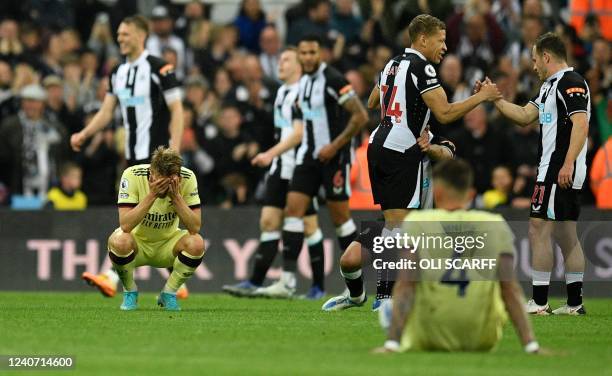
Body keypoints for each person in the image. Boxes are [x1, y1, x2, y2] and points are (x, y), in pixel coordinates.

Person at [322, 14, 499, 311]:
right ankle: (387, 296)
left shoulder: (391, 64)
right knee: (404, 226)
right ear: (423, 39)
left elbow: (371, 102)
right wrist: (481, 97)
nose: (445, 47)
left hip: (378, 144)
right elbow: (444, 113)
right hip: (403, 149)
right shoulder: (422, 67)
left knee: (390, 224)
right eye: (441, 41)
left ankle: (360, 292)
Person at [372, 159, 544, 354]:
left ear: (437, 192)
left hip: (428, 338)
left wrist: (391, 345)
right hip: (481, 340)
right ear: (471, 195)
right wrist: (532, 346)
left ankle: (395, 334)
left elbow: (405, 284)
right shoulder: (494, 223)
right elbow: (510, 289)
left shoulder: (418, 222)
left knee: (395, 301)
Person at [476, 32, 590, 315]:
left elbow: (581, 124)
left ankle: (539, 301)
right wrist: (495, 99)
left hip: (557, 168)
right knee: (566, 234)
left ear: (547, 57)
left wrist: (566, 163)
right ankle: (574, 304)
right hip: (557, 168)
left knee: (538, 227)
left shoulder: (571, 83)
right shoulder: (549, 87)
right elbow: (525, 116)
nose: (533, 65)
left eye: (535, 59)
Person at [73, 15, 186, 298]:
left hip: (157, 157)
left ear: (141, 35)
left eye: (125, 34)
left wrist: (175, 149)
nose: (120, 38)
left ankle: (111, 276)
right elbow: (107, 111)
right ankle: (177, 277)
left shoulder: (160, 68)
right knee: (141, 217)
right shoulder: (117, 72)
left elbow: (177, 110)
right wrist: (85, 134)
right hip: (132, 158)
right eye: (119, 34)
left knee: (137, 218)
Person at [256, 34, 368, 297]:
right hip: (307, 158)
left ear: (321, 54)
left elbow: (360, 115)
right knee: (293, 211)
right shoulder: (303, 83)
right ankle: (287, 281)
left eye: (312, 53)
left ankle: (355, 280)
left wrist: (335, 145)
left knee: (340, 220)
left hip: (335, 158)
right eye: (303, 53)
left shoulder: (333, 80)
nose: (307, 57)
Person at [222, 47, 325, 299]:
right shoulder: (281, 93)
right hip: (281, 166)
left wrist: (270, 153)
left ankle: (313, 286)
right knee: (268, 221)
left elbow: (300, 134)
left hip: (300, 166)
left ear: (299, 66)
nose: (280, 63)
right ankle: (256, 281)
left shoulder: (304, 92)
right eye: (279, 59)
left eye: (286, 59)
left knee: (309, 225)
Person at [108, 146, 204, 311]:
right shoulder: (132, 175)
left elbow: (194, 227)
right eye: (162, 180)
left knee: (197, 243)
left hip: (168, 244)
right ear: (152, 173)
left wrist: (176, 198)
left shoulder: (187, 178)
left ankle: (169, 293)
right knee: (120, 240)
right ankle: (130, 291)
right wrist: (152, 195)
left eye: (171, 180)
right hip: (137, 244)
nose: (166, 185)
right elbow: (125, 224)